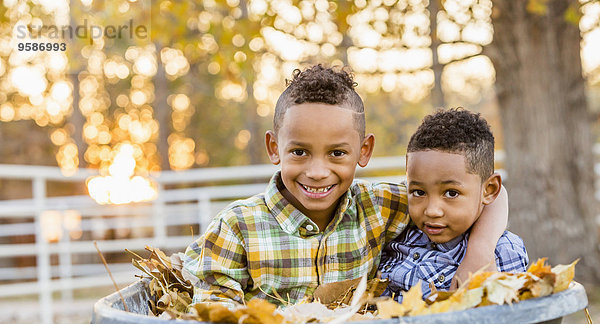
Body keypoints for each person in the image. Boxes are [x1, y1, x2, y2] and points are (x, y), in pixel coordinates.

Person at [183, 65, 509, 306]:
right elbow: (215, 316)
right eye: (299, 152)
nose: (317, 172)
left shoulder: (379, 206)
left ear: (363, 151)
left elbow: (491, 196)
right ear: (274, 148)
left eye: (337, 153)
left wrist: (478, 252)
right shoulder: (237, 227)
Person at [379, 108, 529, 301]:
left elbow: (512, 321)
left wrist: (480, 249)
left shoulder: (501, 251)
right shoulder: (398, 232)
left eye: (451, 193)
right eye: (419, 192)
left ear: (489, 190)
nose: (432, 211)